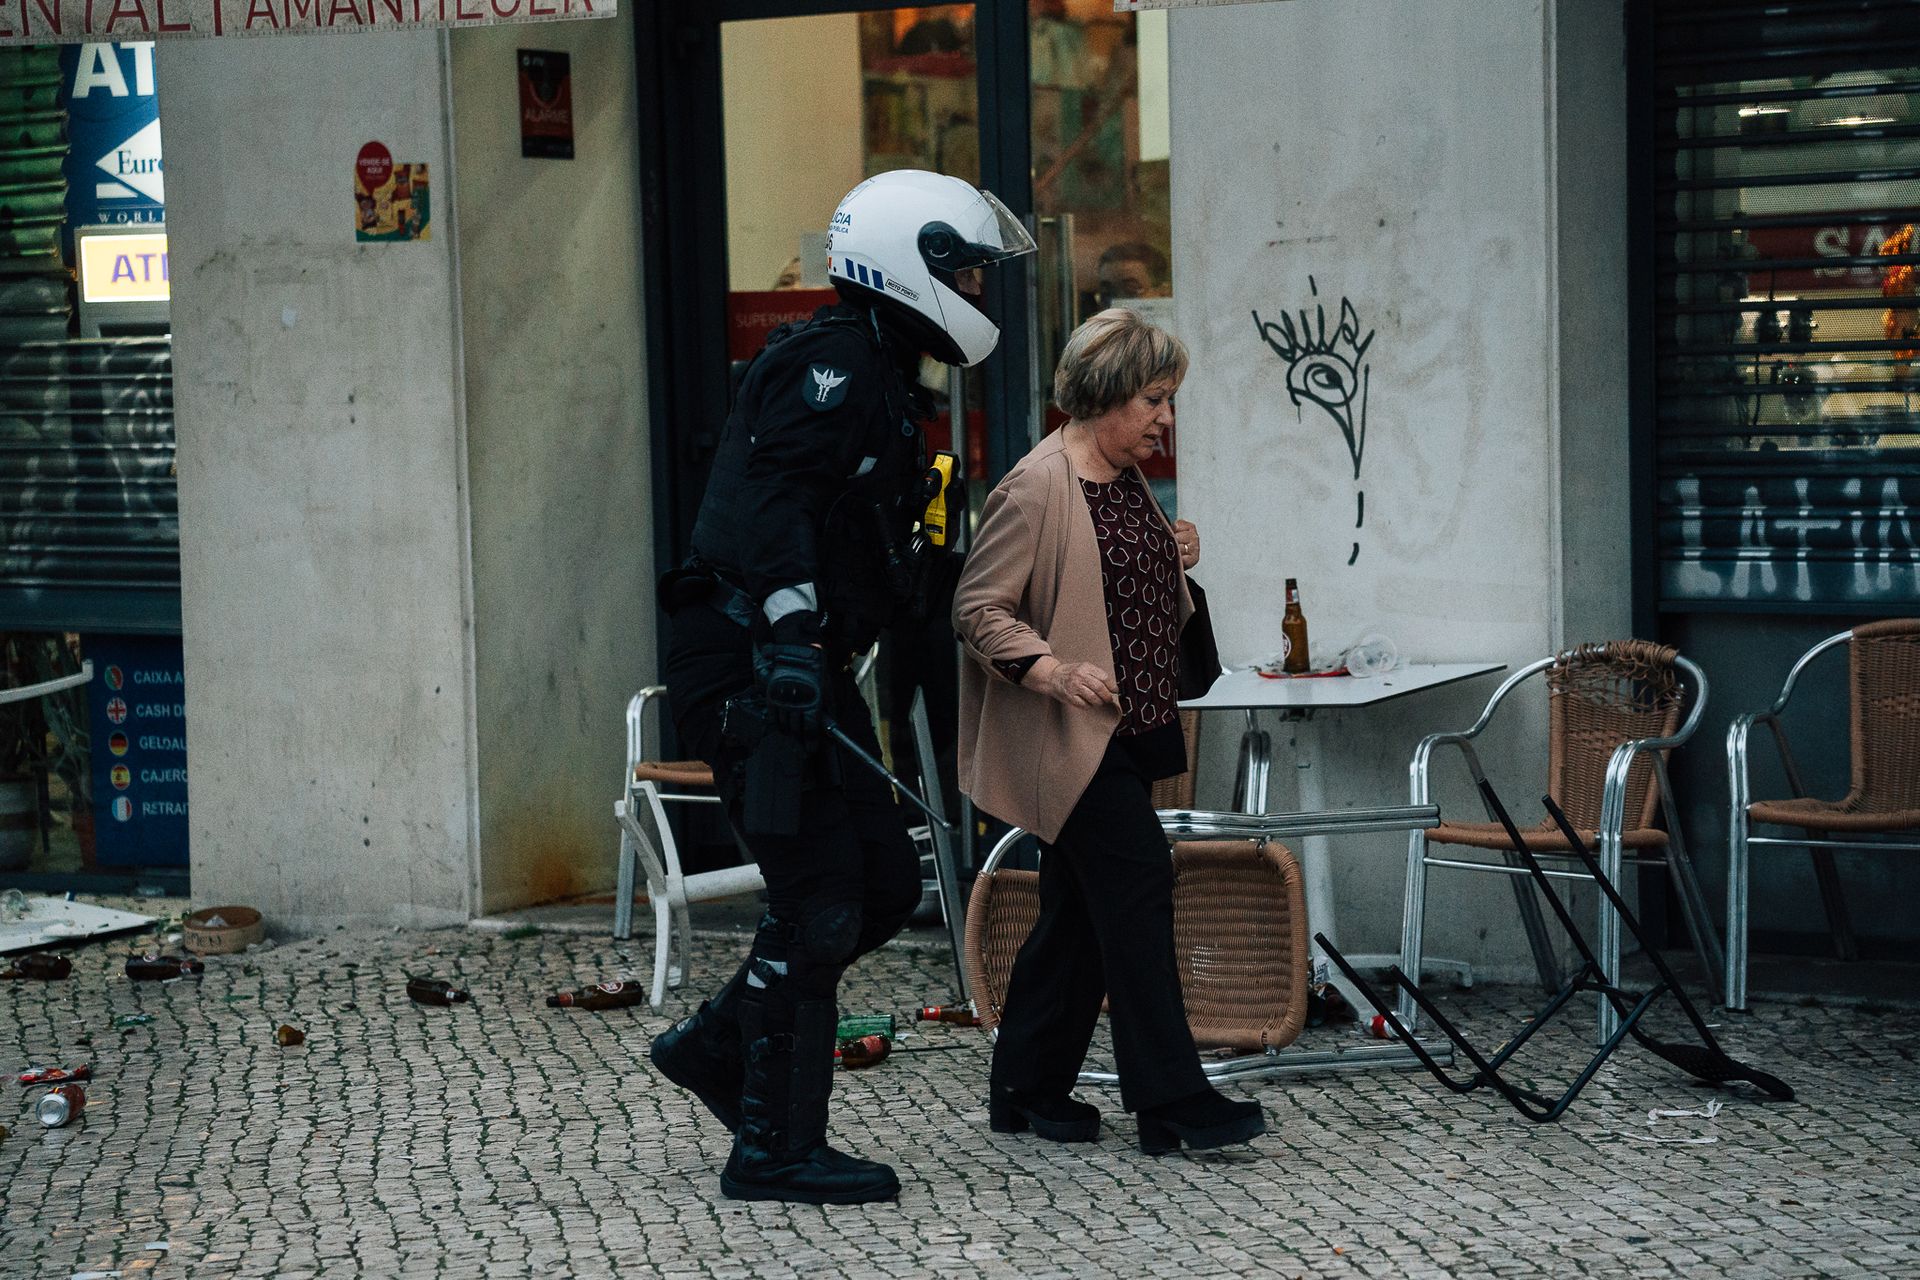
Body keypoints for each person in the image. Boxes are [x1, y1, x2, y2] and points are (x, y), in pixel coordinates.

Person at [649, 170, 1035, 1205]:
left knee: (879, 883)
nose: (977, 289)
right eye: (961, 266)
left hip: (802, 662)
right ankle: (774, 1146)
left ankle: (724, 1045)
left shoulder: (878, 370)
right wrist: (784, 634)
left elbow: (861, 544)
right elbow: (769, 503)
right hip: (750, 659)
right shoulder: (829, 363)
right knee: (820, 893)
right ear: (906, 256)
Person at [952, 307, 1267, 1156]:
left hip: (1128, 728)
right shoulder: (1034, 485)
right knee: (1136, 887)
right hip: (1071, 736)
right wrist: (1052, 671)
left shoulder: (1122, 475)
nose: (1166, 419)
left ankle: (1026, 1088)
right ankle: (1171, 1103)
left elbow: (1115, 580)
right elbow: (977, 609)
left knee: (1080, 916)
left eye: (1170, 401)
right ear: (1105, 395)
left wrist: (1174, 554)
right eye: (1155, 401)